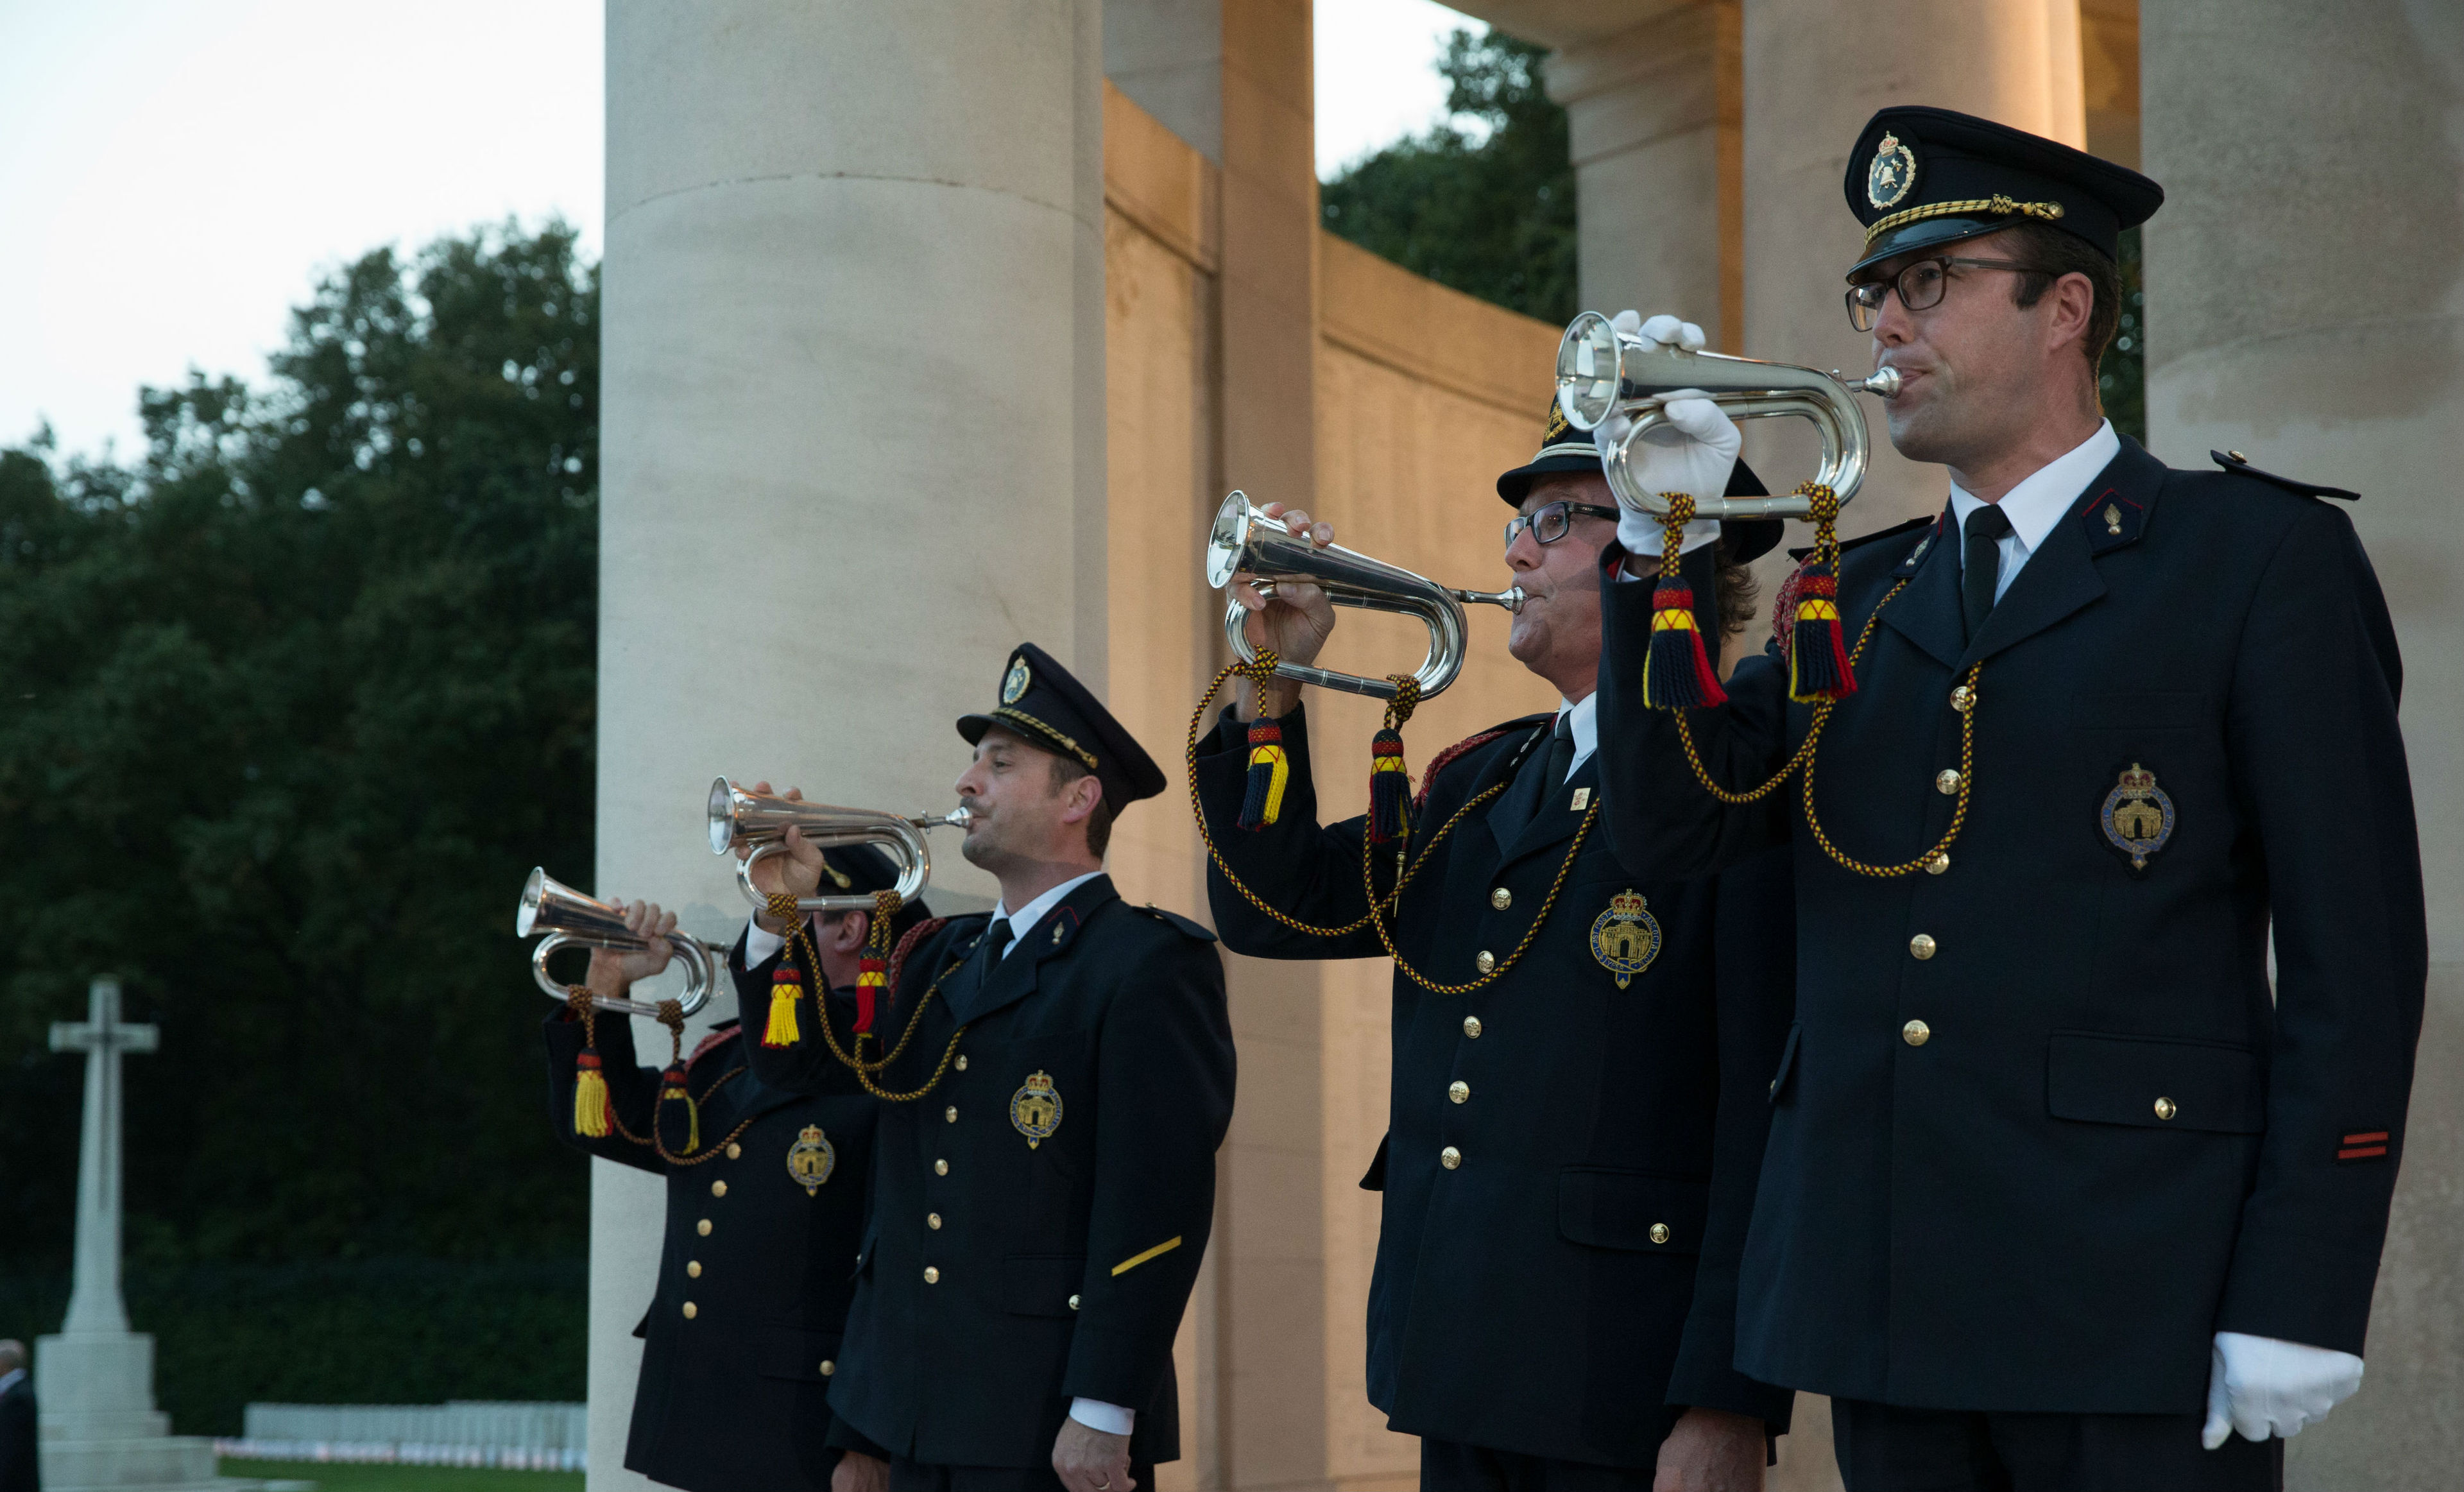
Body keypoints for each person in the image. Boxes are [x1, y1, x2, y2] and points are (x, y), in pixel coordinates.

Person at [1593, 106, 2425, 1492]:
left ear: (2066, 310)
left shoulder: (2253, 559)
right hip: (1888, 1299)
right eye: (1874, 291)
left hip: (2136, 1294)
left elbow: (2358, 962)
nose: (1885, 327)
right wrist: (1655, 550)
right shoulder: (1857, 592)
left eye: (1929, 282)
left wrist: (2303, 1285)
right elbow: (1679, 822)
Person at [1190, 405, 1797, 1492]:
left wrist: (1728, 1395)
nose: (1517, 552)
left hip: (1624, 1376)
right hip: (1461, 1347)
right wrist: (1271, 679)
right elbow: (1274, 907)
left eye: (1557, 521)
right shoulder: (1481, 779)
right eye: (1521, 525)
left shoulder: (1735, 774)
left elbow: (1764, 1110)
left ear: (1665, 547)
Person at [737, 642, 1235, 1492]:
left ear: (1078, 798)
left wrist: (1105, 1407)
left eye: (1000, 765)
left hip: (1042, 1414)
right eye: (975, 762)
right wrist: (779, 913)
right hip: (910, 1408)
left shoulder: (1147, 962)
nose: (967, 783)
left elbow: (1156, 1205)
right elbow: (803, 1067)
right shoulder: (941, 958)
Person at [542, 846, 928, 1492]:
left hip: (809, 1425)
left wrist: (869, 1440)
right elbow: (605, 1124)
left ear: (849, 927)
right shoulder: (732, 1052)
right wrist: (606, 985)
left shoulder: (890, 1062)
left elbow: (901, 1274)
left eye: (795, 912)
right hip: (708, 1407)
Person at [0, 1341, 35, 1492]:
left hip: (13, 1480)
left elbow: (11, 1445)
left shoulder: (18, 1396)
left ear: (3, 1362)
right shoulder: (18, 1390)